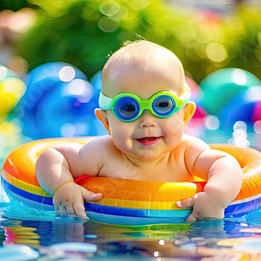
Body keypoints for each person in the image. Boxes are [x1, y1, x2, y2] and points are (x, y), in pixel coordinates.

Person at [35, 40, 243, 222]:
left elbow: (226, 164)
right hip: (109, 239)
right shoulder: (102, 154)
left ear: (186, 115)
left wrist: (215, 197)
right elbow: (52, 156)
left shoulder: (186, 153)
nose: (146, 121)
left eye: (162, 105)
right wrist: (62, 187)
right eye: (128, 108)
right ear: (106, 122)